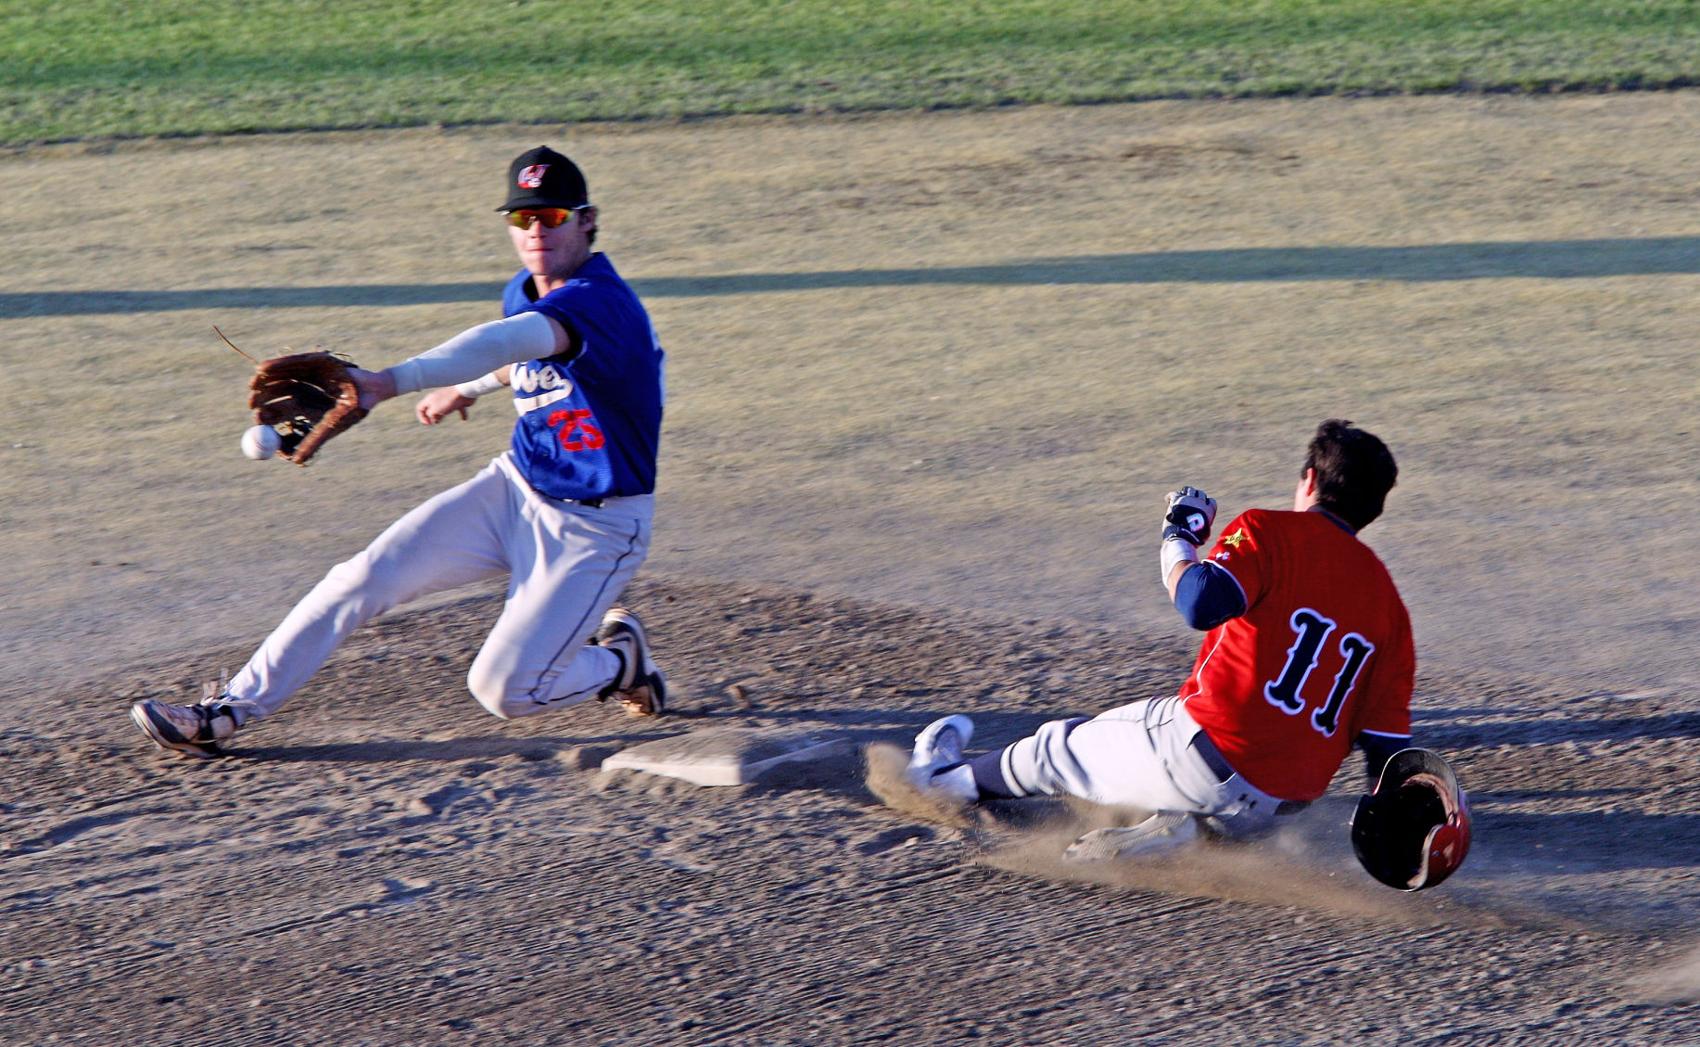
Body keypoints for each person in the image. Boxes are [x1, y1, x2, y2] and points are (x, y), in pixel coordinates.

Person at [131, 146, 669, 757]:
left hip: (596, 527)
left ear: (587, 220)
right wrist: (464, 389)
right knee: (359, 578)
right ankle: (227, 711)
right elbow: (523, 352)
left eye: (551, 217)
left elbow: (510, 339)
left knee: (506, 690)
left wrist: (389, 381)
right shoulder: (527, 289)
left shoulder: (600, 301)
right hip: (514, 489)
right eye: (522, 219)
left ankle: (620, 663)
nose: (536, 231)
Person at [906, 420, 1416, 859]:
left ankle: (941, 781)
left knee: (1057, 750)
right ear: (1375, 508)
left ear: (1310, 479)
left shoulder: (1271, 530)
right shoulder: (1392, 610)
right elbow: (1388, 755)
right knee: (1204, 785)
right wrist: (1395, 836)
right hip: (1279, 811)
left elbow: (1198, 603)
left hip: (1201, 756)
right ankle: (1187, 830)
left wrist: (1179, 535)